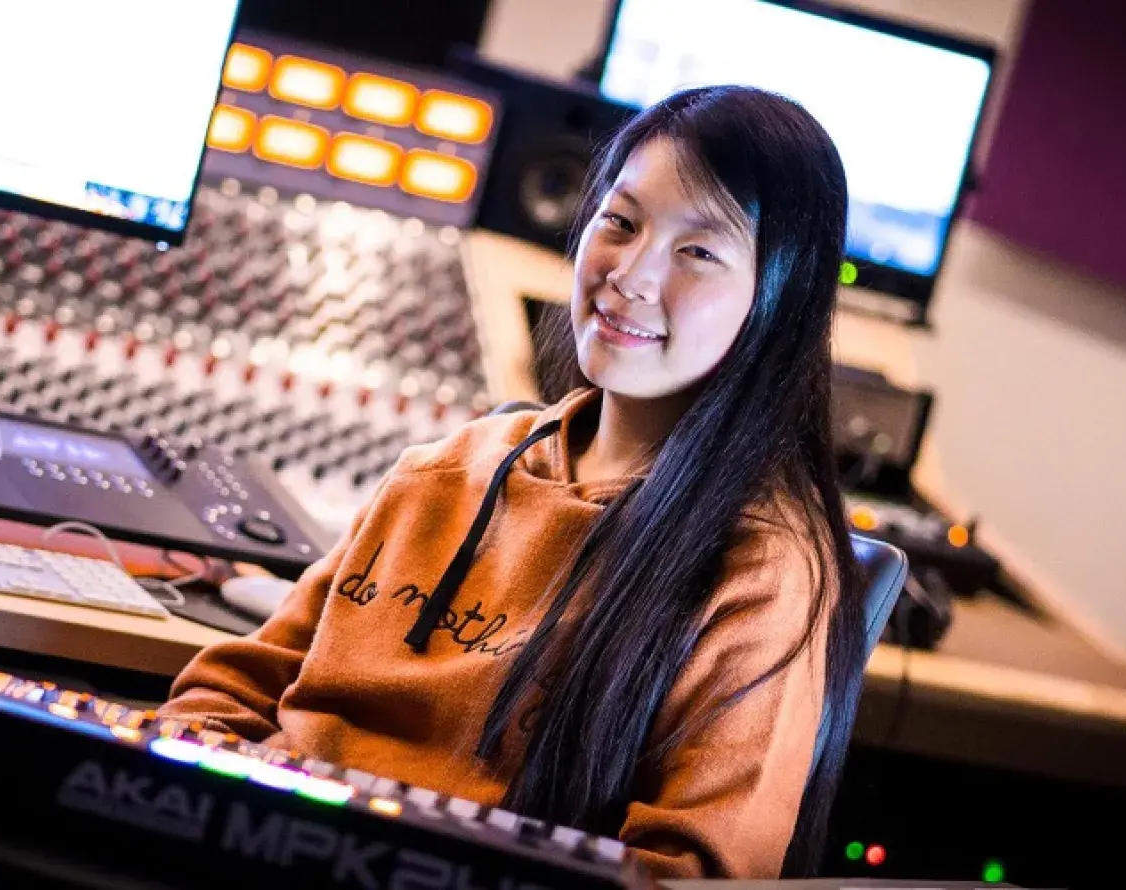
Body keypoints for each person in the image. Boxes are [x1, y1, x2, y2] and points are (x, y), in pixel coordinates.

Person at [160, 85, 865, 880]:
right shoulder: (449, 467)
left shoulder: (761, 573)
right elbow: (230, 691)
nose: (628, 275)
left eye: (698, 251)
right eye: (620, 222)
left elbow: (688, 874)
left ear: (780, 297)